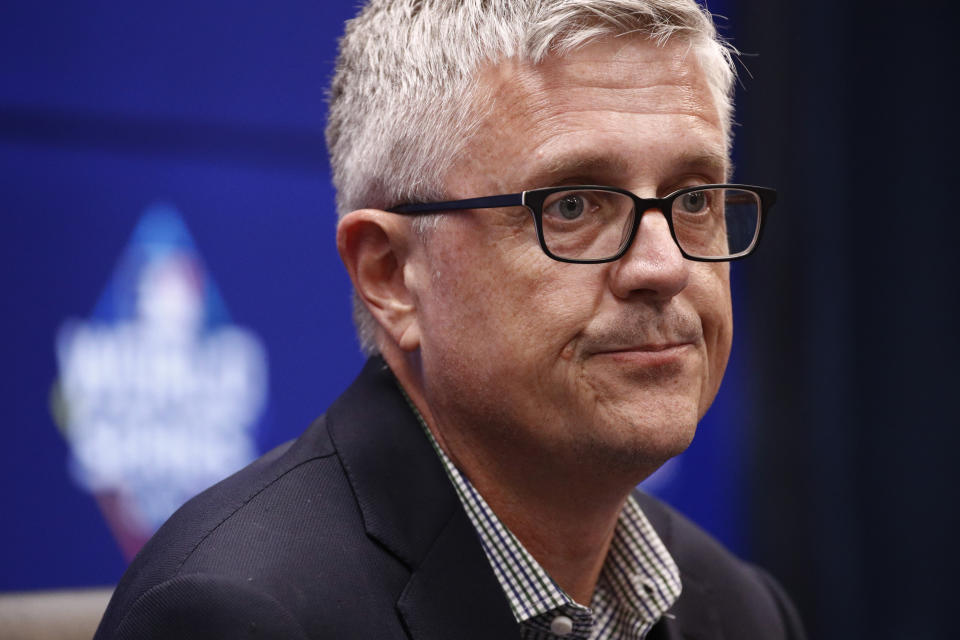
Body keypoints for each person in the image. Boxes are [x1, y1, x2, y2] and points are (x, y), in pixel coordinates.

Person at [95, 1, 806, 638]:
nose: (664, 267)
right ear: (390, 275)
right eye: (573, 206)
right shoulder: (236, 617)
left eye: (692, 201)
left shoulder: (742, 612)